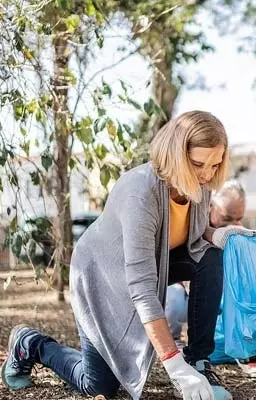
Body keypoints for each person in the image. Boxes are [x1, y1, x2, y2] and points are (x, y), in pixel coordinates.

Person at [2, 111, 233, 399]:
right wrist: (172, 365)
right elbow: (142, 289)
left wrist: (219, 234)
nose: (207, 175)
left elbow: (190, 238)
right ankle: (31, 343)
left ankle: (198, 361)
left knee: (211, 257)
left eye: (215, 164)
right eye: (199, 164)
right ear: (175, 155)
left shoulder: (198, 186)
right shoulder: (140, 193)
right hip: (102, 274)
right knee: (98, 386)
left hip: (154, 262)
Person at [165, 179, 247, 344]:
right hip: (180, 292)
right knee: (174, 298)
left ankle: (209, 348)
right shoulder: (190, 221)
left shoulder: (238, 235)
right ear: (211, 206)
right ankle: (171, 340)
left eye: (239, 218)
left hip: (218, 300)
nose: (234, 224)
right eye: (227, 217)